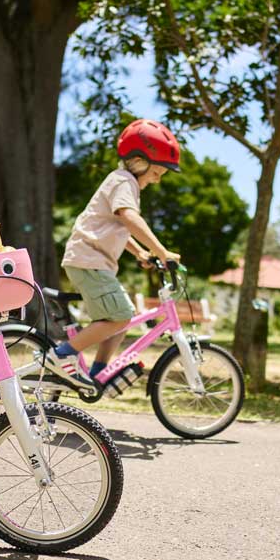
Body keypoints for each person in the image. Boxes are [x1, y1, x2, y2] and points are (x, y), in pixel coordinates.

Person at [47, 119, 182, 386]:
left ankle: (97, 373)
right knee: (119, 316)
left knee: (123, 316)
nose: (156, 180)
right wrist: (161, 250)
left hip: (91, 260)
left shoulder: (124, 182)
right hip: (88, 260)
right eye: (157, 173)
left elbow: (119, 225)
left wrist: (141, 253)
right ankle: (60, 355)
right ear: (140, 161)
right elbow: (128, 217)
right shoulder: (124, 181)